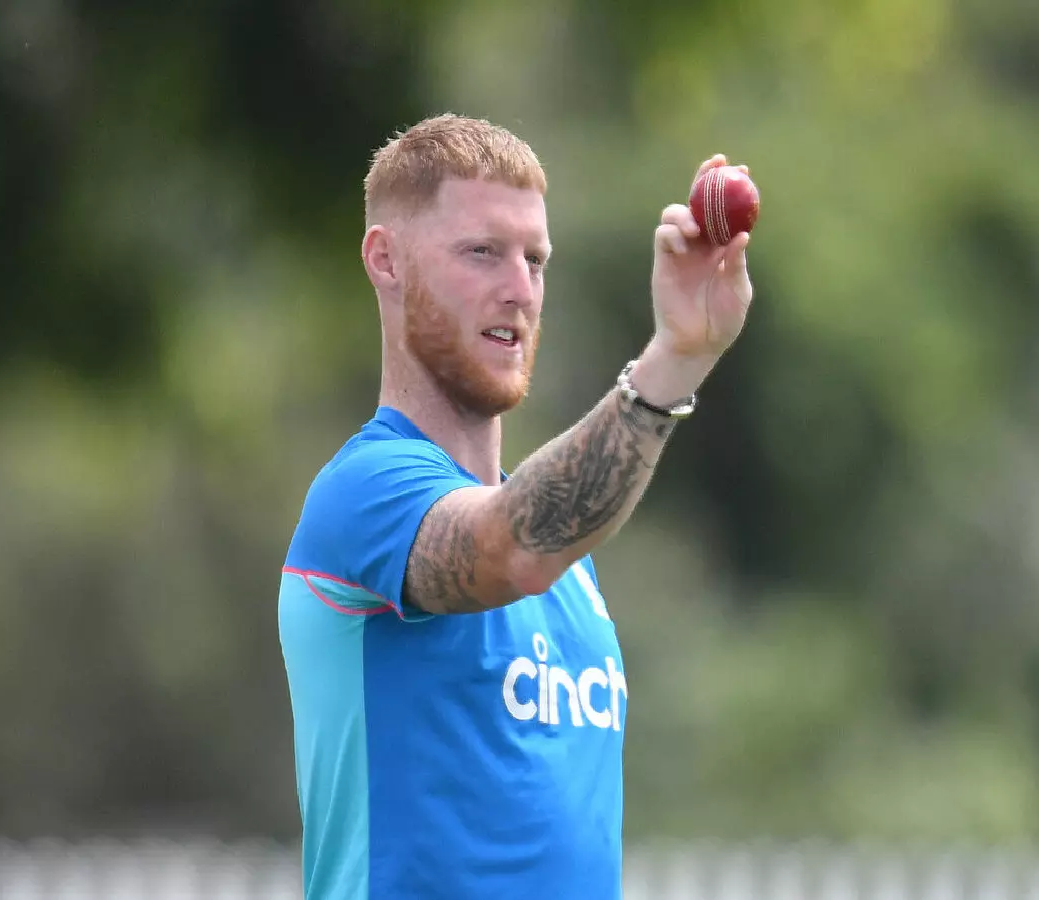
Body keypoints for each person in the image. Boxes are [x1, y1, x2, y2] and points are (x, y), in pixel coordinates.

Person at [278, 113, 753, 900]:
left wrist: (692, 349)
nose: (520, 288)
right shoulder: (363, 493)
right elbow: (509, 549)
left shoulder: (573, 568)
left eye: (536, 259)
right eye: (482, 253)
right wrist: (670, 362)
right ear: (386, 261)